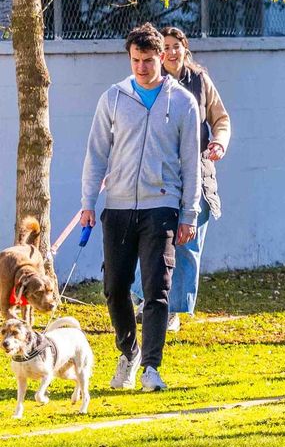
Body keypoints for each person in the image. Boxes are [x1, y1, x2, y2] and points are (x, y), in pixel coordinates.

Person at [80, 23, 202, 393]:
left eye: (149, 61)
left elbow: (191, 163)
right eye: (136, 60)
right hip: (117, 207)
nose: (142, 68)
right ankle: (128, 352)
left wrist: (189, 213)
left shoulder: (183, 102)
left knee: (157, 289)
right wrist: (88, 203)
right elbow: (96, 154)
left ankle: (151, 367)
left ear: (162, 58)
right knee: (115, 288)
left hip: (161, 207)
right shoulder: (113, 99)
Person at [154, 28, 231, 333]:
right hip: (160, 170)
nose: (172, 52)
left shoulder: (199, 80)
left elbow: (220, 119)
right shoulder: (152, 81)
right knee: (152, 236)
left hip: (198, 170)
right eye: (166, 47)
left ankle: (173, 309)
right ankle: (146, 299)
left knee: (189, 240)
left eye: (177, 47)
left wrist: (219, 143)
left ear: (186, 50)